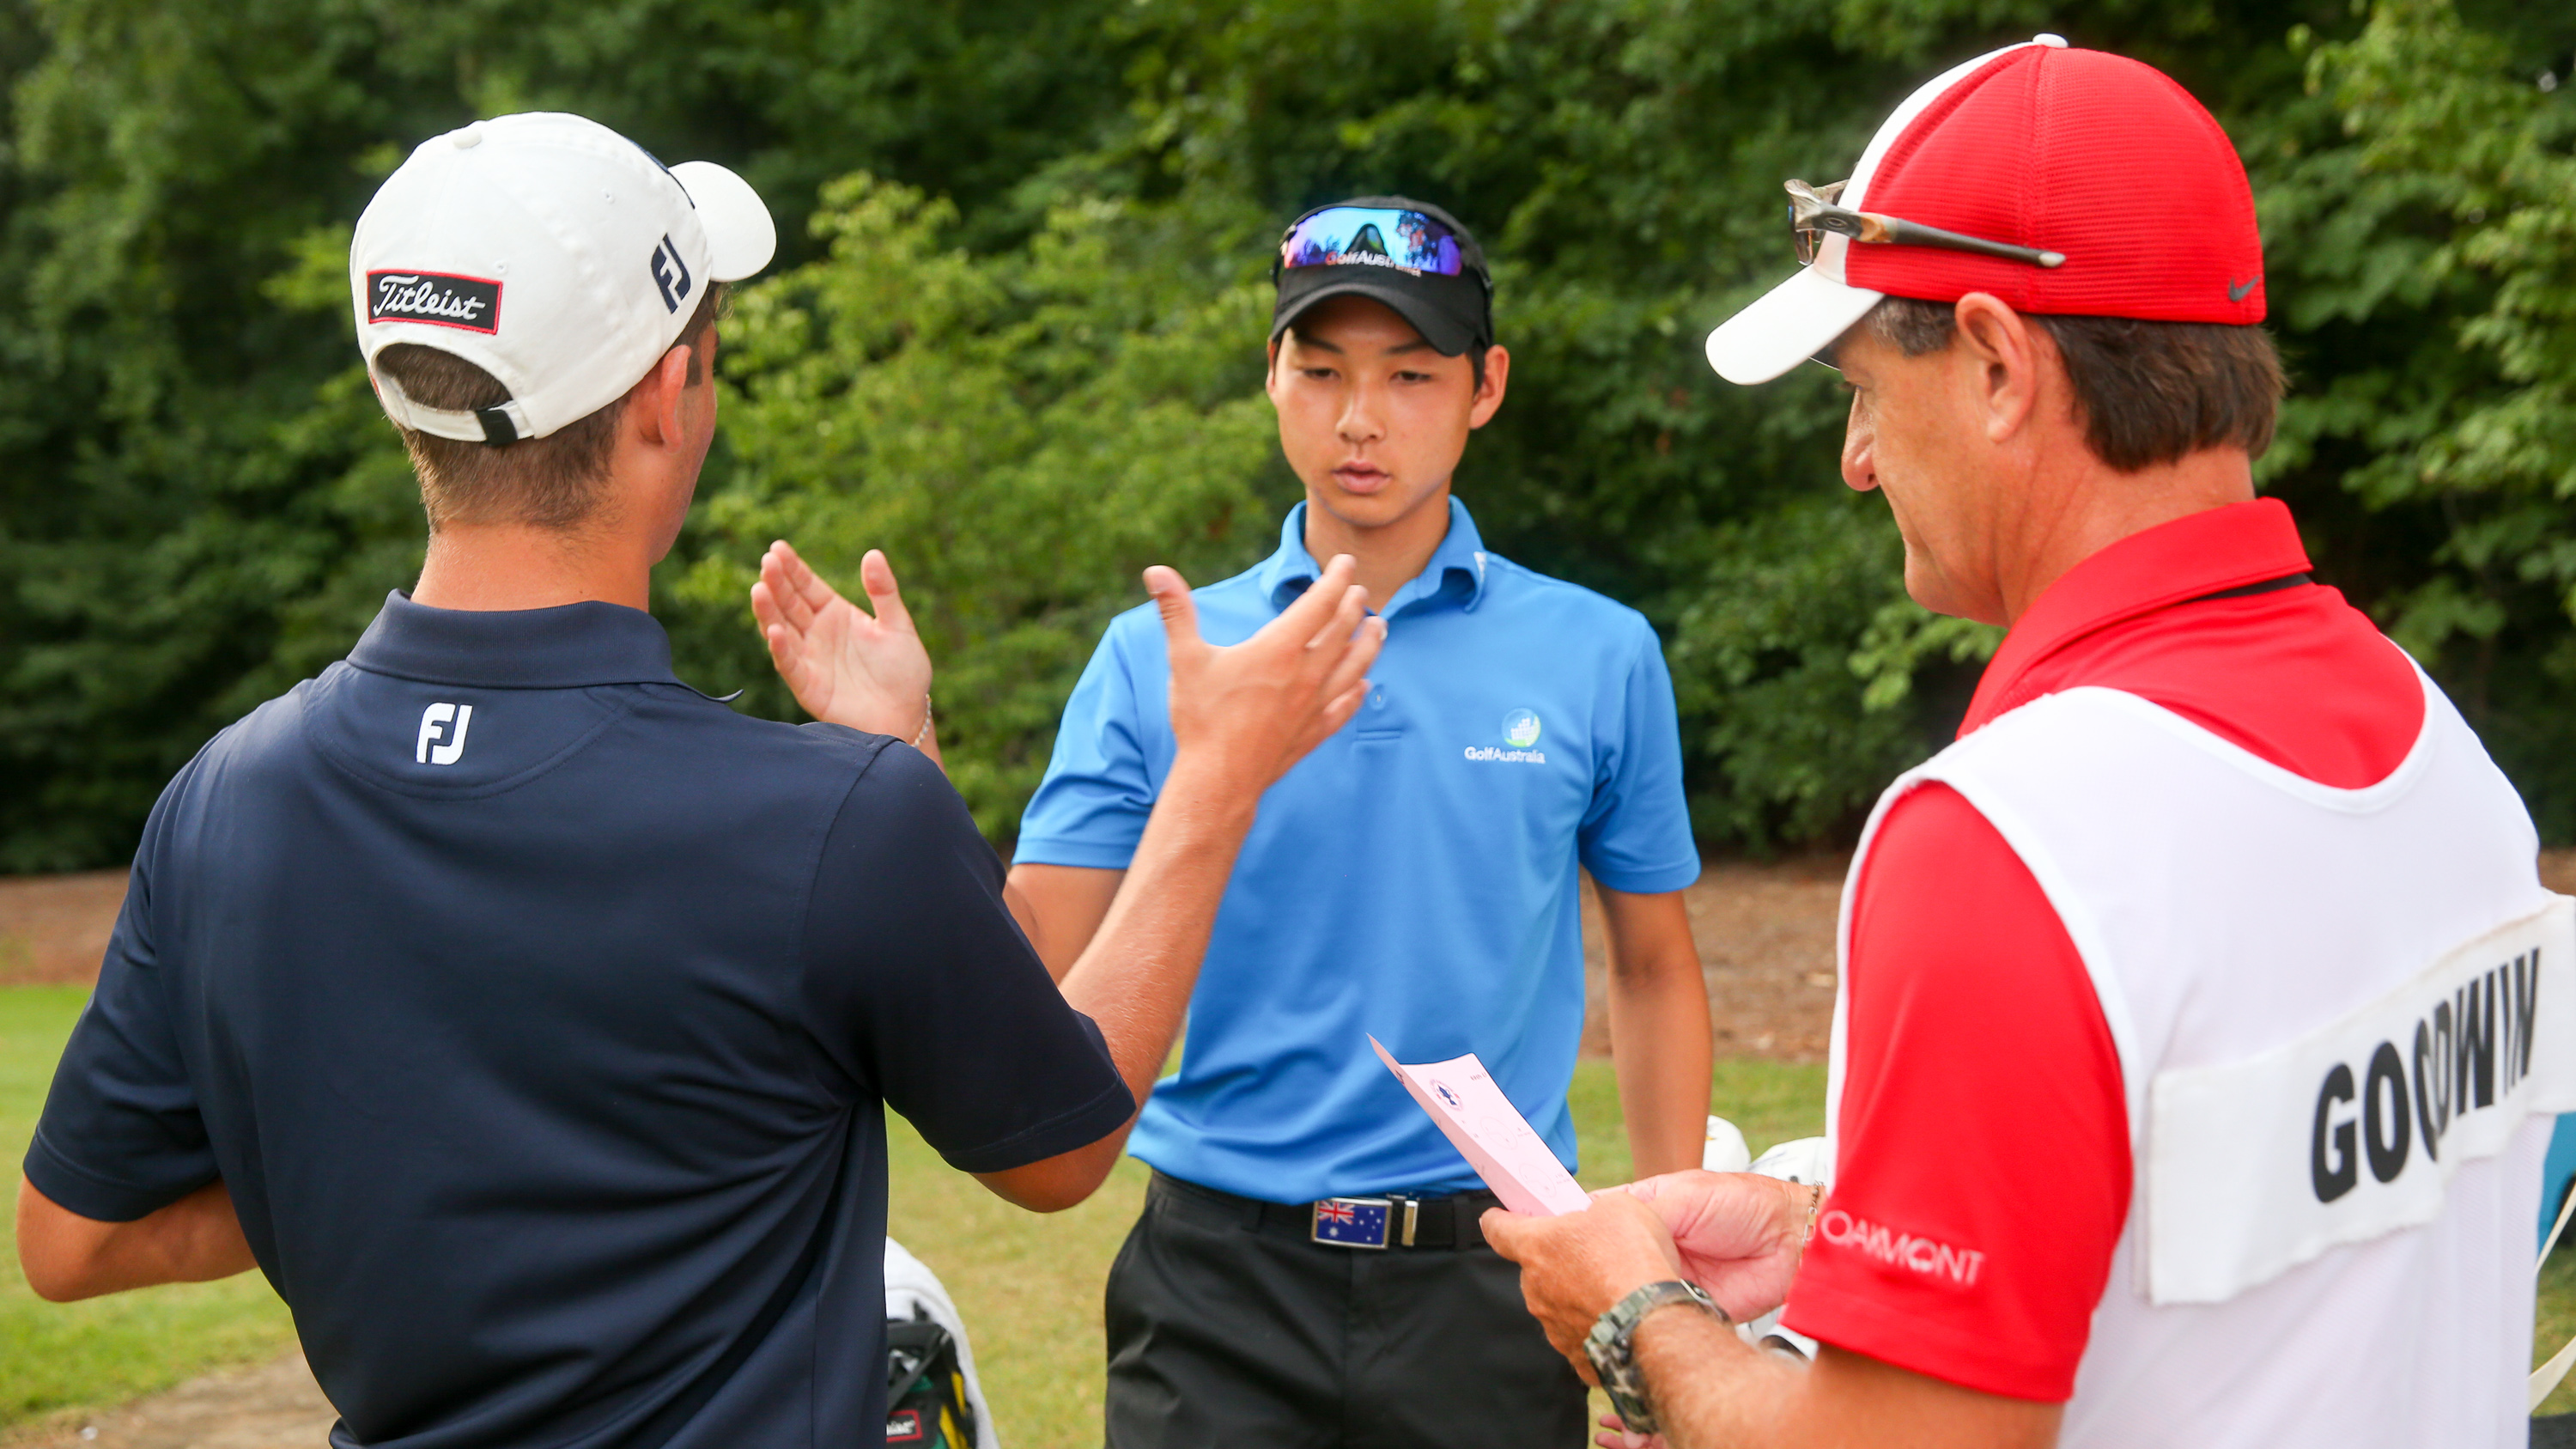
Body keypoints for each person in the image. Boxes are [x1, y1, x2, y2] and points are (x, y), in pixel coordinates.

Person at [14, 112, 1383, 1449]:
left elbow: (74, 1240)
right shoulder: (829, 817)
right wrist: (1215, 782)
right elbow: (1057, 1146)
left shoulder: (223, 801)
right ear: (671, 398)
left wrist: (401, 1179)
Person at [1483, 36, 2570, 1449]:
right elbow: (2268, 1252)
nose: (1857, 459)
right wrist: (1847, 1244)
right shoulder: (2447, 766)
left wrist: (1640, 1324)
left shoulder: (2012, 838)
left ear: (1997, 360)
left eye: (1866, 385)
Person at [753, 195, 1712, 1446]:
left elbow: (1653, 967)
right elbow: (1023, 960)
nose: (1359, 418)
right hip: (1215, 1284)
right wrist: (905, 757)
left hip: (1492, 1274)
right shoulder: (1157, 655)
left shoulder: (1599, 653)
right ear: (1272, 376)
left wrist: (1653, 1281)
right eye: (1320, 371)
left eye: (1410, 374)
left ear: (1487, 387)